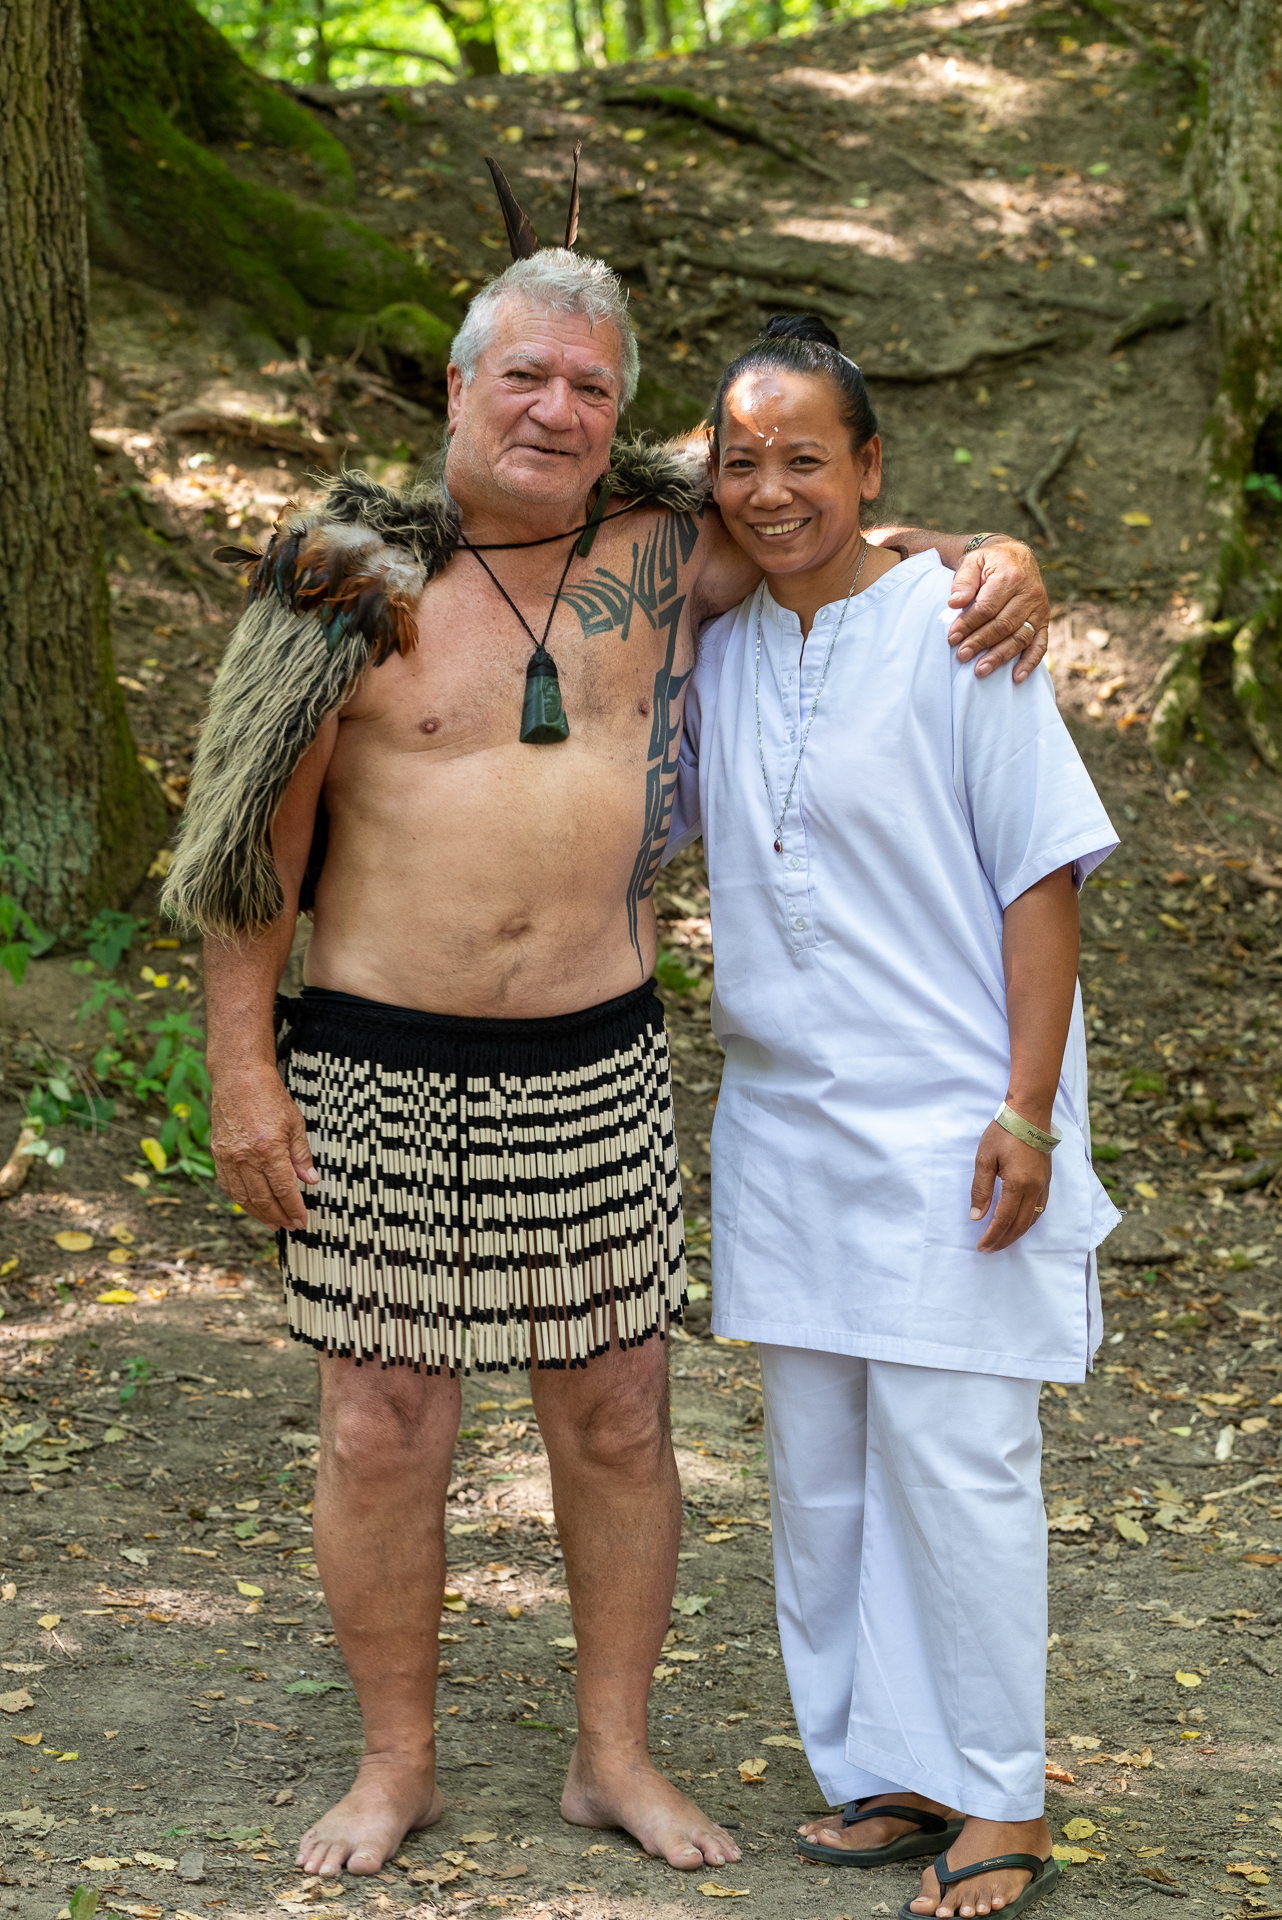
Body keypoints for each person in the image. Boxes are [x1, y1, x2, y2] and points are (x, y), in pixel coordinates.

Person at [162, 162, 1053, 1883]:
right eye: (524, 375)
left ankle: (612, 1758)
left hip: (594, 1062)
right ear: (456, 386)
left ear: (625, 417)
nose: (555, 410)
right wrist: (241, 1072)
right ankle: (394, 1765)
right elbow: (249, 853)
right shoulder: (341, 578)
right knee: (381, 1424)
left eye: (590, 385)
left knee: (622, 1418)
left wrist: (993, 557)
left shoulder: (667, 545)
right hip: (378, 1065)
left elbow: (831, 541)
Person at [666, 314, 1120, 1920]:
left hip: (952, 1123)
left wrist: (1027, 1109)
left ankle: (1000, 1797)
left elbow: (1040, 872)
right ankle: (888, 1765)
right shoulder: (717, 650)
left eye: (806, 457)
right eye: (742, 462)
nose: (771, 489)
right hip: (784, 1124)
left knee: (956, 1464)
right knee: (822, 1476)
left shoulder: (956, 627)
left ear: (870, 468)